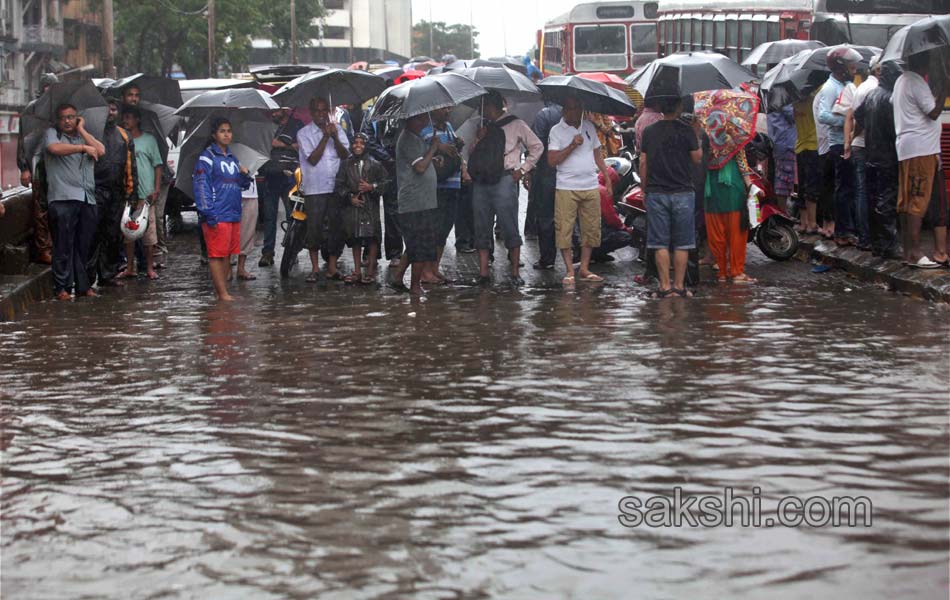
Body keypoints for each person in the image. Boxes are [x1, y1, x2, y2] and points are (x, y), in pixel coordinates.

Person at [468, 91, 543, 286]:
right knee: (481, 226)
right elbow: (472, 155)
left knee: (509, 225)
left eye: (485, 107)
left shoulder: (516, 124)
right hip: (481, 182)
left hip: (504, 179)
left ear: (494, 107)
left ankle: (515, 273)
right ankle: (483, 273)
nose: (483, 111)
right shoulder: (481, 127)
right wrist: (478, 139)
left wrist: (523, 169)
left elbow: (537, 146)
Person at [638, 96, 702, 297]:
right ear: (679, 107)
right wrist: (697, 133)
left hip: (656, 192)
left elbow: (643, 162)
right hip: (683, 192)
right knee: (683, 243)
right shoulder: (687, 130)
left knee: (660, 242)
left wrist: (643, 188)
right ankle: (679, 287)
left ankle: (665, 287)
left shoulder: (649, 131)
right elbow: (697, 158)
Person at [547, 95, 613, 285]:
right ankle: (569, 269)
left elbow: (597, 154)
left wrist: (606, 178)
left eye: (578, 108)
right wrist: (572, 145)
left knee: (591, 229)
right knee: (564, 229)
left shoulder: (589, 127)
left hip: (590, 184)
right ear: (564, 110)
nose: (575, 112)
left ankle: (584, 268)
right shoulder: (556, 131)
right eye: (571, 108)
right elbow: (552, 161)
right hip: (566, 186)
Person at [893, 51, 948, 269]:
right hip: (921, 149)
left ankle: (908, 252)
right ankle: (915, 253)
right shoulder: (915, 81)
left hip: (909, 148)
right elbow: (934, 112)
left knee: (906, 201)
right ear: (924, 61)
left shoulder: (902, 81)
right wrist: (944, 87)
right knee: (918, 200)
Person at [44, 103, 105, 300]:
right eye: (64, 118)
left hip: (86, 197)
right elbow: (54, 148)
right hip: (62, 198)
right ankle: (61, 287)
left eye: (72, 117)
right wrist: (81, 148)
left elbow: (101, 150)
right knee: (63, 245)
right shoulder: (52, 134)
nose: (68, 121)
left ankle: (83, 286)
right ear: (57, 120)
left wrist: (82, 130)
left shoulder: (83, 135)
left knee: (84, 246)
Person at [193, 117, 252, 301]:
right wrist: (208, 211)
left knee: (227, 254)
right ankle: (222, 293)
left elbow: (240, 184)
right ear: (214, 135)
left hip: (233, 211)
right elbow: (201, 185)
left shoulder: (232, 158)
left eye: (228, 130)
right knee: (216, 255)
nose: (226, 134)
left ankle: (223, 290)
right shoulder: (207, 157)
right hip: (217, 212)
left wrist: (245, 174)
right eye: (222, 131)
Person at [297, 97, 350, 282]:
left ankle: (332, 267)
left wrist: (335, 137)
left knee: (336, 227)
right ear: (311, 113)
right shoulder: (304, 133)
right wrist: (325, 137)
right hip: (315, 187)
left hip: (335, 187)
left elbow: (345, 155)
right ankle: (314, 268)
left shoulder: (338, 130)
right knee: (315, 228)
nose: (321, 114)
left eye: (323, 110)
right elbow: (312, 159)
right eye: (317, 111)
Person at [854, 60, 902, 259]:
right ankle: (888, 245)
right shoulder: (889, 98)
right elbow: (895, 129)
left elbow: (858, 114)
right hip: (887, 156)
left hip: (871, 154)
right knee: (886, 201)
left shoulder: (872, 95)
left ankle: (876, 244)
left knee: (874, 199)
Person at [389, 112, 440, 295]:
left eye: (425, 117)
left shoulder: (416, 138)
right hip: (415, 201)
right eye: (419, 118)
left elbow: (421, 161)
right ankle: (415, 286)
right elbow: (419, 167)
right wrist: (433, 148)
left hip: (424, 200)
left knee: (413, 245)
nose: (424, 121)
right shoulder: (407, 139)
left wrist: (432, 157)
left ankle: (398, 278)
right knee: (420, 245)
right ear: (409, 119)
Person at [88, 98, 136, 287]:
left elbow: (132, 166)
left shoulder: (124, 135)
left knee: (113, 235)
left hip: (117, 192)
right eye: (106, 109)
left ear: (118, 113)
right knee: (93, 235)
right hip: (95, 190)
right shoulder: (93, 134)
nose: (110, 112)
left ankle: (108, 274)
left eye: (114, 109)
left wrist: (132, 193)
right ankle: (89, 277)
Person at [703, 123, 758, 285]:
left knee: (716, 232)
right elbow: (742, 163)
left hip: (710, 188)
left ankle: (721, 271)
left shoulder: (703, 135)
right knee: (736, 232)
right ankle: (736, 272)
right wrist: (749, 184)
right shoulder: (734, 134)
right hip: (732, 187)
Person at [817, 47, 861, 246]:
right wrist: (845, 119)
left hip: (846, 142)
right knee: (843, 189)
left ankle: (847, 228)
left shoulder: (846, 85)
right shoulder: (830, 88)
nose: (855, 69)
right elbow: (823, 115)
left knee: (848, 187)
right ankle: (842, 232)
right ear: (841, 67)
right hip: (837, 143)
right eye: (851, 65)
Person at [335, 132, 389, 284]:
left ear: (366, 146)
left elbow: (386, 183)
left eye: (361, 143)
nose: (358, 145)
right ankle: (357, 271)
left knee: (372, 238)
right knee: (355, 238)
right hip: (353, 208)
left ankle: (370, 271)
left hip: (370, 206)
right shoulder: (345, 164)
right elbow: (339, 185)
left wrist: (372, 187)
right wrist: (349, 198)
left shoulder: (375, 164)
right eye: (355, 142)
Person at [16, 72, 59, 265]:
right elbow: (23, 141)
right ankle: (44, 248)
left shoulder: (59, 110)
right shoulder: (31, 110)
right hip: (38, 164)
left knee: (56, 207)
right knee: (41, 207)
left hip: (57, 164)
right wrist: (24, 167)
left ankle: (55, 245)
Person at [117, 105, 163, 281]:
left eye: (129, 117)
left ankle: (149, 267)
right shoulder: (121, 140)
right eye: (124, 117)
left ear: (137, 120)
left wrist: (156, 189)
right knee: (128, 232)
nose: (126, 121)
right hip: (128, 194)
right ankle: (130, 267)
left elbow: (157, 165)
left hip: (146, 193)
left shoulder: (149, 140)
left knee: (148, 234)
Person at [421, 106, 464, 283]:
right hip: (435, 186)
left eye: (449, 108)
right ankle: (426, 271)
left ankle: (435, 268)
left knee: (445, 229)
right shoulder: (425, 130)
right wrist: (438, 147)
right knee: (433, 230)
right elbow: (421, 156)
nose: (448, 112)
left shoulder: (449, 128)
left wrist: (457, 146)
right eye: (444, 109)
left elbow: (454, 154)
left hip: (452, 184)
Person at [258, 107, 303, 267]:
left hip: (290, 176)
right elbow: (263, 146)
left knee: (292, 215)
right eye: (272, 111)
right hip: (270, 175)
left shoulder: (297, 125)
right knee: (269, 216)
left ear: (285, 110)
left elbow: (302, 146)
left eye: (277, 111)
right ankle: (268, 252)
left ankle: (292, 250)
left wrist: (283, 144)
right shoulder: (268, 127)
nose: (274, 114)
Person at [844, 56, 881, 251]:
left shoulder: (861, 88)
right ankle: (867, 237)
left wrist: (848, 141)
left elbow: (850, 116)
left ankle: (865, 236)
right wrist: (852, 137)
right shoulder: (873, 90)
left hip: (859, 145)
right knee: (866, 192)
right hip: (866, 145)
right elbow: (858, 120)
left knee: (862, 191)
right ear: (877, 70)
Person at [530, 102, 563, 270]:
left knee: (545, 216)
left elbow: (536, 145)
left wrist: (530, 171)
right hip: (567, 173)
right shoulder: (577, 115)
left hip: (546, 173)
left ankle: (548, 257)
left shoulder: (544, 114)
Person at [589, 167, 634, 263]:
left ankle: (595, 252)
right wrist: (625, 229)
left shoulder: (590, 185)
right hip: (593, 230)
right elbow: (611, 217)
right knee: (625, 237)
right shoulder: (603, 191)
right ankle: (595, 252)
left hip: (582, 229)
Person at [794, 91, 820, 234]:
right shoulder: (814, 98)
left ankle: (803, 223)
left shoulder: (795, 102)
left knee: (802, 186)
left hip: (799, 146)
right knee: (812, 185)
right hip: (813, 145)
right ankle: (812, 223)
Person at [766, 104, 796, 213]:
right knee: (784, 179)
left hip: (779, 142)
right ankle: (782, 212)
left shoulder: (775, 99)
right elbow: (793, 115)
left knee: (781, 178)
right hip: (785, 142)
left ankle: (782, 211)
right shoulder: (784, 101)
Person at [236, 177, 259, 281]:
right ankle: (226, 268)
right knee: (228, 231)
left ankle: (241, 267)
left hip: (250, 192)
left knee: (248, 231)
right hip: (230, 191)